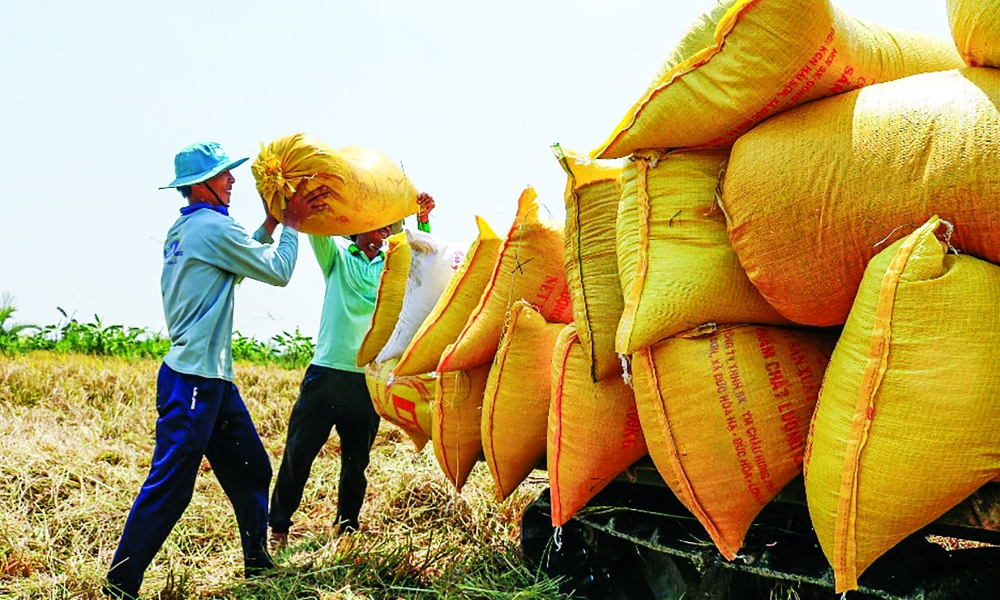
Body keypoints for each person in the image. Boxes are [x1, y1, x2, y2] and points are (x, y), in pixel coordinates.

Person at [104, 141, 329, 599]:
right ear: (199, 186)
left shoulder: (189, 228)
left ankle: (257, 564)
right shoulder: (210, 227)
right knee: (171, 485)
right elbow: (279, 271)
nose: (231, 181)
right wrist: (291, 225)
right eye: (224, 174)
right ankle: (120, 583)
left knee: (251, 468)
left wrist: (268, 223)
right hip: (193, 380)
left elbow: (239, 260)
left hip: (211, 381)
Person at [267, 191, 435, 549]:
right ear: (356, 233)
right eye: (370, 231)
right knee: (299, 452)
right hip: (326, 374)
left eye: (383, 231)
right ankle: (279, 526)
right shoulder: (338, 260)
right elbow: (319, 232)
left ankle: (347, 528)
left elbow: (425, 265)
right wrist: (322, 199)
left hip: (366, 380)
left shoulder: (394, 266)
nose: (376, 237)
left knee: (356, 461)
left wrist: (422, 219)